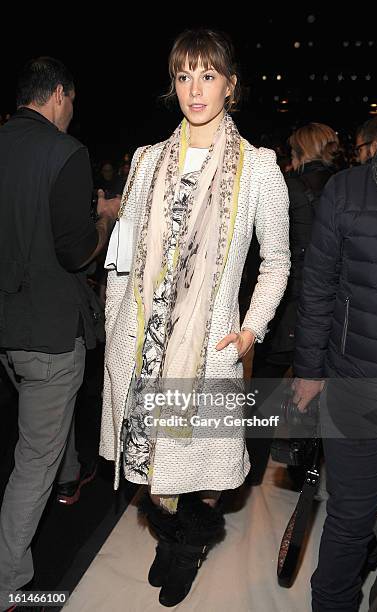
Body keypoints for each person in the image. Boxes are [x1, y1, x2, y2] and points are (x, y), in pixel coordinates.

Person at [101, 28, 290, 607]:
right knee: (155, 461)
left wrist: (251, 328)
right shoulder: (148, 160)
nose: (195, 89)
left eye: (208, 75)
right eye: (184, 76)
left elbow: (278, 261)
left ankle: (186, 547)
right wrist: (115, 316)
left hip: (209, 345)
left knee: (201, 465)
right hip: (144, 345)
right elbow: (123, 246)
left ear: (230, 85)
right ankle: (172, 535)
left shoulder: (257, 168)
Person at [0, 57, 120, 611]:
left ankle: (72, 474)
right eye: (71, 102)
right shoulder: (65, 152)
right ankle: (7, 578)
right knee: (33, 460)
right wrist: (105, 217)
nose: (72, 112)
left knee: (45, 418)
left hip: (8, 328)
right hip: (48, 331)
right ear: (58, 94)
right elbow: (77, 250)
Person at [292, 133, 377, 610]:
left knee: (353, 518)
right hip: (355, 385)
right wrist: (309, 372)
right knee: (350, 518)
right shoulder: (346, 190)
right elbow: (318, 287)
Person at [247, 122, 341, 487]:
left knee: (264, 392)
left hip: (288, 301)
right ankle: (304, 470)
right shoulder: (346, 187)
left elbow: (270, 254)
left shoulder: (288, 188)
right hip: (328, 307)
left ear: (300, 151)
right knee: (315, 389)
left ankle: (250, 472)